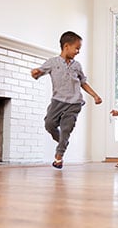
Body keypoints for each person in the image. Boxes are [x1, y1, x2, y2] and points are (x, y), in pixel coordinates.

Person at [31, 31, 102, 169]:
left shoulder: (77, 66)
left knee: (66, 129)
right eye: (77, 48)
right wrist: (35, 73)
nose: (78, 51)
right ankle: (63, 142)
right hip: (57, 101)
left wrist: (95, 95)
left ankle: (58, 157)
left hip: (74, 103)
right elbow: (38, 73)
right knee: (49, 124)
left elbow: (83, 82)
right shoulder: (52, 62)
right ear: (66, 46)